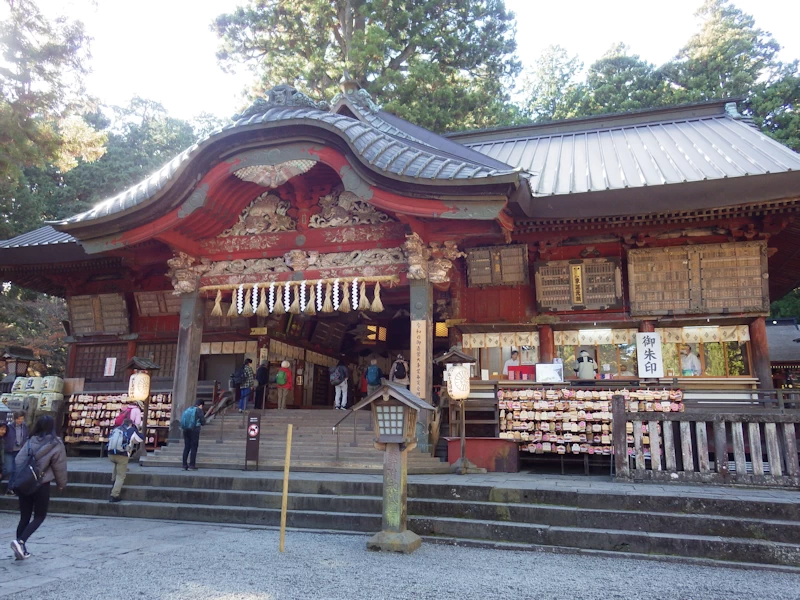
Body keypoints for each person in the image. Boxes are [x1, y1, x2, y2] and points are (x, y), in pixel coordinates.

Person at [10, 415, 67, 561]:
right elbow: (59, 466)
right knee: (40, 516)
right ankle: (20, 542)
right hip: (41, 483)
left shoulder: (30, 441)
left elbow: (18, 460)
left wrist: (25, 474)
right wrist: (61, 484)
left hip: (25, 483)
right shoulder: (56, 443)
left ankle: (20, 549)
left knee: (25, 516)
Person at [107, 418, 143, 503]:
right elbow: (140, 439)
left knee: (116, 467)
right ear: (130, 424)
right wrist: (137, 429)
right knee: (121, 475)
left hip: (111, 453)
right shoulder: (131, 430)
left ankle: (113, 483)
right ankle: (114, 495)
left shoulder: (116, 429)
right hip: (122, 455)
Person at [5, 412, 28, 496]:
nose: (20, 420)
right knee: (8, 469)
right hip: (9, 450)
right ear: (14, 419)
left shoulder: (25, 426)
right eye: (18, 419)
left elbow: (26, 437)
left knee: (16, 470)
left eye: (21, 419)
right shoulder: (9, 426)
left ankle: (10, 488)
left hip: (19, 451)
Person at [181, 400, 206, 471]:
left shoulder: (188, 409)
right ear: (201, 405)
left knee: (186, 447)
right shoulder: (199, 410)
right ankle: (192, 465)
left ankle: (184, 465)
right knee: (194, 447)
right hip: (194, 430)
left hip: (185, 430)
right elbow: (203, 422)